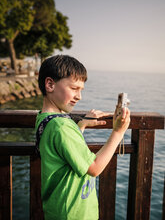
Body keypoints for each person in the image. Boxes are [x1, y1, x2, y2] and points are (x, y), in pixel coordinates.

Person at [35, 55, 130, 220]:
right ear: (50, 84)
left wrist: (81, 125)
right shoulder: (62, 126)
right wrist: (118, 132)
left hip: (59, 209)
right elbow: (93, 168)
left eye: (81, 90)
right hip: (73, 213)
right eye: (73, 88)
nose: (79, 96)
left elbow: (63, 148)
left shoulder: (45, 119)